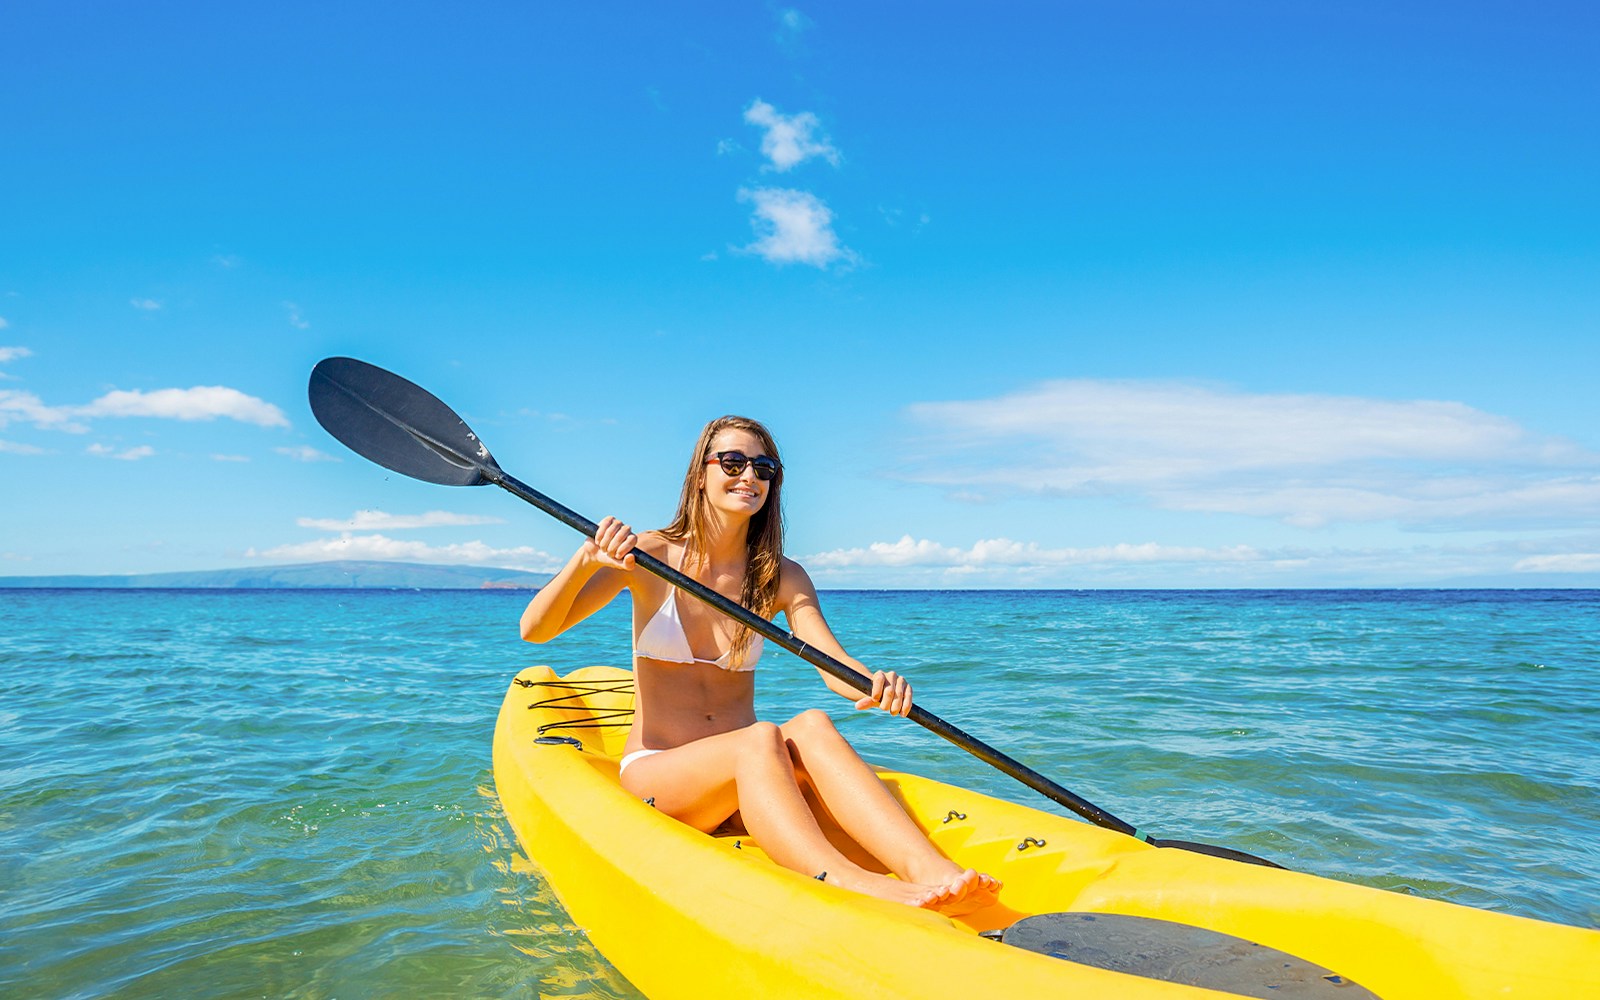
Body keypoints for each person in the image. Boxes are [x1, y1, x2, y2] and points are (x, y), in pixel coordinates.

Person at [520, 415, 1000, 912]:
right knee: (759, 737)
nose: (749, 476)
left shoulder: (780, 575)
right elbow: (534, 630)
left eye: (763, 467)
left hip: (751, 781)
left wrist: (875, 684)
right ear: (700, 474)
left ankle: (934, 871)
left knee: (811, 725)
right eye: (732, 462)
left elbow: (830, 661)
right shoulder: (650, 554)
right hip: (661, 775)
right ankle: (848, 881)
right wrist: (585, 562)